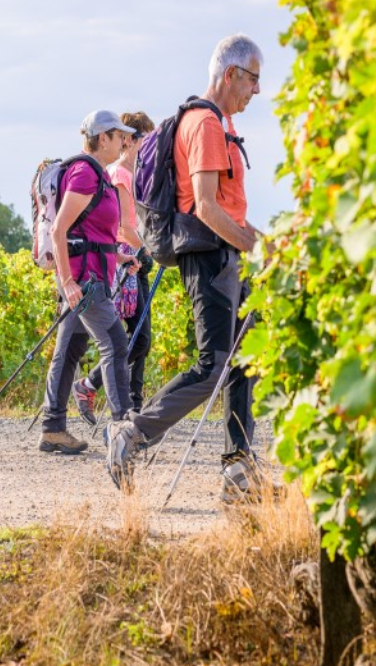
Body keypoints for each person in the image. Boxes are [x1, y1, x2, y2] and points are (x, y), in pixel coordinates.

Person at [104, 35, 267, 499]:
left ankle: (239, 470)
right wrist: (251, 249)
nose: (256, 90)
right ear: (231, 74)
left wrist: (264, 245)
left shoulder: (216, 123)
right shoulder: (207, 125)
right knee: (212, 366)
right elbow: (207, 209)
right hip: (211, 258)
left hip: (224, 255)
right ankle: (132, 432)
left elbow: (230, 211)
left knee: (245, 360)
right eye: (253, 79)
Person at [37, 110, 141, 455]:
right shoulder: (84, 173)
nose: (124, 141)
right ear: (102, 139)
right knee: (116, 343)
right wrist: (67, 280)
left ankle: (53, 428)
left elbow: (91, 230)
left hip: (88, 275)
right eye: (118, 135)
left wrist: (120, 255)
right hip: (85, 281)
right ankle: (123, 427)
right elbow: (59, 229)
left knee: (68, 351)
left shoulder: (97, 174)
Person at [71, 112, 157, 423]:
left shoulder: (132, 174)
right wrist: (148, 251)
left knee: (138, 338)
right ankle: (94, 388)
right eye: (145, 138)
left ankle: (132, 403)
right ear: (131, 140)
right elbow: (124, 226)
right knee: (134, 338)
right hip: (125, 259)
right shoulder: (119, 175)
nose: (149, 145)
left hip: (131, 258)